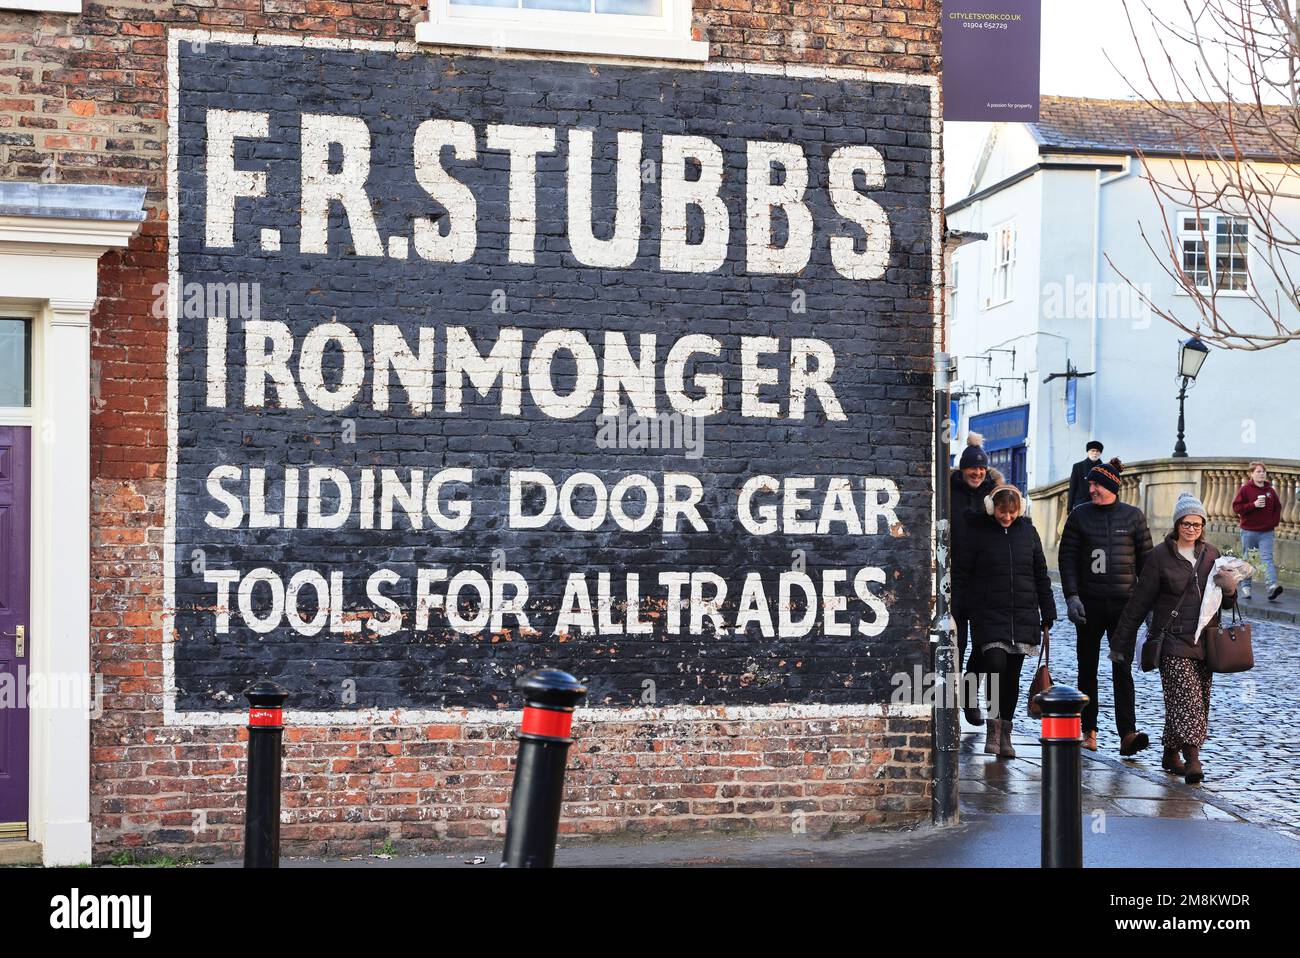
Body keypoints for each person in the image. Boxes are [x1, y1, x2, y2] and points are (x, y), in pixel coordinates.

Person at [1113, 493, 1236, 784]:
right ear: (1177, 524)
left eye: (1197, 524)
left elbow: (1225, 602)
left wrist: (1230, 588)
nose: (1191, 528)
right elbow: (1139, 602)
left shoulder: (1212, 555)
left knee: (1197, 701)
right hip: (1172, 642)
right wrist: (1120, 643)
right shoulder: (1160, 556)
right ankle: (1193, 759)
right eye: (1186, 523)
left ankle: (1170, 753)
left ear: (1203, 526)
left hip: (1205, 642)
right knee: (1188, 701)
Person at [1058, 456, 1154, 755]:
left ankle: (1127, 732)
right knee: (1087, 669)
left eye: (1096, 484)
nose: (1091, 489)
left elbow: (1147, 563)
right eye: (1090, 484)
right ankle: (1089, 730)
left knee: (1121, 668)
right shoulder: (1079, 515)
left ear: (1111, 486)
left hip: (1124, 606)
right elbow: (1067, 559)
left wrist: (1148, 605)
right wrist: (1071, 596)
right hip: (1088, 605)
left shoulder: (1133, 517)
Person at [954, 484, 1055, 758]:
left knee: (1012, 676)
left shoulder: (1028, 534)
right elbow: (962, 573)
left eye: (1011, 512)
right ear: (992, 507)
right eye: (1002, 511)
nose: (1007, 517)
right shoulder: (979, 534)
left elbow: (1041, 576)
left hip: (1023, 614)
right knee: (996, 665)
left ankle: (1005, 732)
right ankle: (992, 728)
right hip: (988, 613)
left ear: (1019, 509)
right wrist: (958, 608)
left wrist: (1048, 612)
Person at [949, 432, 1003, 725]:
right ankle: (949, 709)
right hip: (954, 580)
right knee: (954, 645)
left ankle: (970, 698)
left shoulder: (995, 494)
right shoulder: (948, 491)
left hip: (983, 582)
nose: (978, 472)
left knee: (984, 647)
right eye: (973, 468)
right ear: (963, 468)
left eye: (982, 468)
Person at [1232, 462, 1284, 602]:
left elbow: (1277, 508)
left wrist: (1272, 523)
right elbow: (1237, 508)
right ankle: (1246, 587)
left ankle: (1272, 586)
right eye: (1259, 471)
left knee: (1267, 559)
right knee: (1249, 560)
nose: (1262, 474)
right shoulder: (1245, 489)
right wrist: (1253, 505)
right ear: (1252, 474)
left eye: (1263, 472)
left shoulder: (1270, 491)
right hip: (1249, 531)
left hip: (1266, 532)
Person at [1067, 440, 1105, 513]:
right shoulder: (1078, 467)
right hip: (1081, 505)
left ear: (1100, 453)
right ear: (1088, 452)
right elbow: (1072, 488)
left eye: (1097, 451)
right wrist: (1069, 508)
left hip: (1098, 505)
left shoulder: (1105, 469)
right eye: (1092, 450)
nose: (1095, 453)